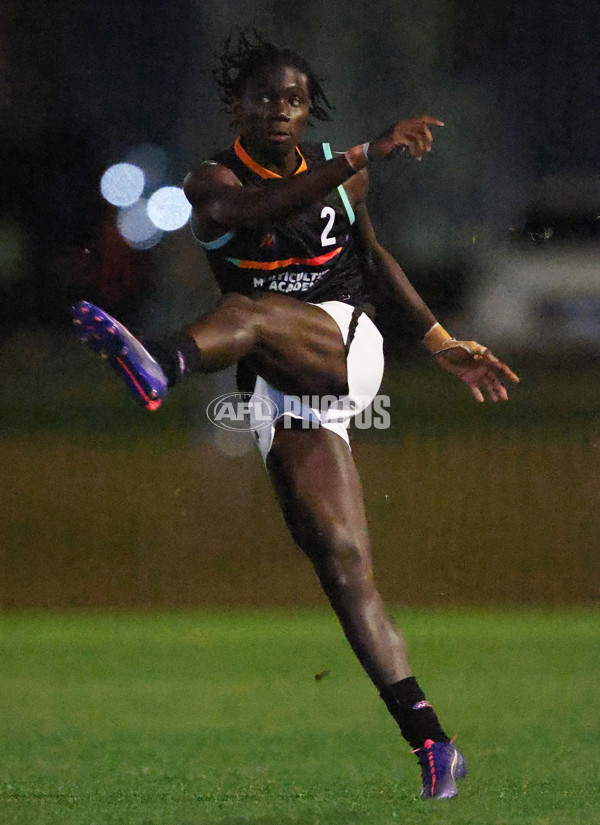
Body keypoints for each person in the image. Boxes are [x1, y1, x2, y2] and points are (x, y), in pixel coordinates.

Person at [73, 30, 519, 800]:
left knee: (249, 305)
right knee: (341, 562)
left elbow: (374, 259)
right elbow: (260, 208)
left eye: (294, 100)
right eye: (265, 98)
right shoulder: (210, 182)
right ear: (236, 106)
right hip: (281, 386)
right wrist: (357, 155)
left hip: (348, 342)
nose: (280, 110)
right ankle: (434, 743)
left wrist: (441, 340)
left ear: (308, 110)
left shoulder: (342, 178)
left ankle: (163, 361)